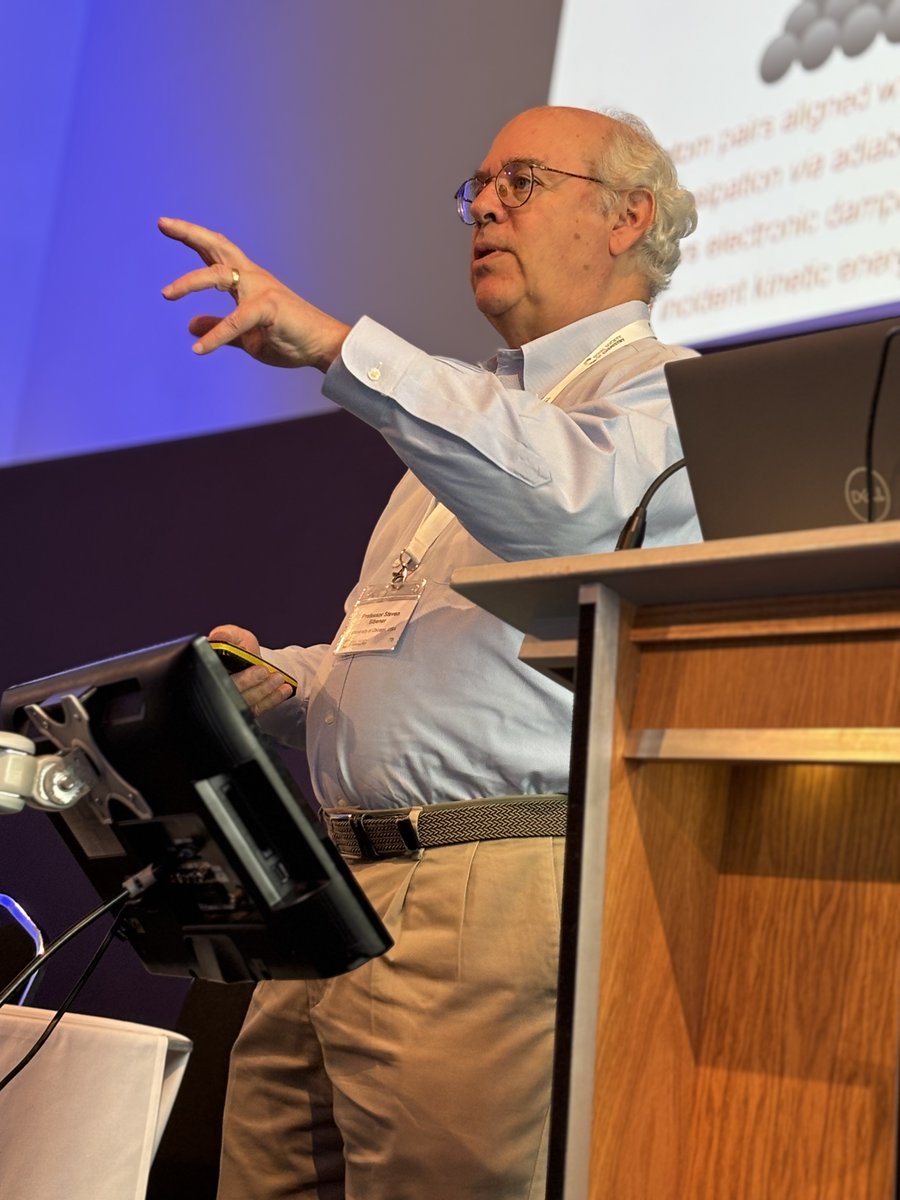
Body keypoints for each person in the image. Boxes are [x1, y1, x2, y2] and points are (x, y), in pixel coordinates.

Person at [160, 105, 701, 1200]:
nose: (485, 205)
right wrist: (289, 682)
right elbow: (408, 654)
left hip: (481, 893)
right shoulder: (460, 426)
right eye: (477, 188)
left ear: (628, 216)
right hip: (332, 901)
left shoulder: (661, 393)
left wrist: (338, 346)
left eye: (524, 182)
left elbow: (571, 514)